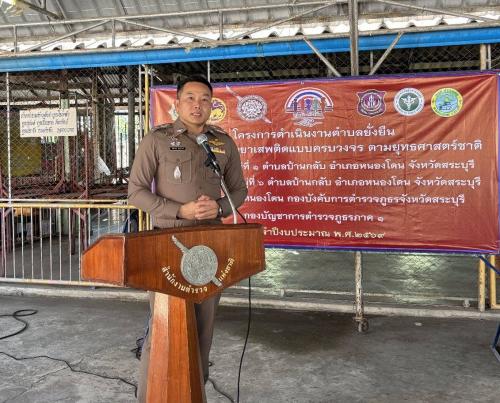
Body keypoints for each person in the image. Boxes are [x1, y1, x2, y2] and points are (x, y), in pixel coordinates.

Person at [128, 75, 248, 402]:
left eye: (205, 99)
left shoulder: (222, 143)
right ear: (177, 103)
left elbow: (239, 190)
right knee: (164, 324)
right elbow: (136, 192)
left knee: (203, 327)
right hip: (167, 243)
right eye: (191, 98)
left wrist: (219, 207)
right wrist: (180, 210)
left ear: (212, 105)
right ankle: (150, 395)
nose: (198, 105)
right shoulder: (157, 140)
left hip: (211, 244)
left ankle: (195, 391)